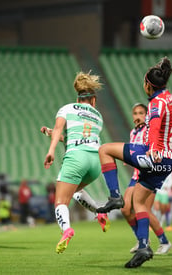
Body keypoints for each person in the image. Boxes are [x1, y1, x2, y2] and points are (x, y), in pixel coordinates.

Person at [97, 57, 172, 268]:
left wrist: (152, 150)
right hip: (168, 161)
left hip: (155, 155)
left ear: (148, 85)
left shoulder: (155, 104)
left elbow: (155, 125)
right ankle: (144, 246)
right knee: (140, 203)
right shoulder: (169, 97)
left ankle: (115, 196)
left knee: (105, 150)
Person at [43, 71, 109, 254]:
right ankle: (99, 211)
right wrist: (52, 132)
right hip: (95, 162)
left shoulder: (67, 109)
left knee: (60, 201)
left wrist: (50, 150)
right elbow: (76, 136)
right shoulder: (98, 116)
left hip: (76, 157)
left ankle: (67, 230)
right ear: (93, 100)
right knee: (76, 190)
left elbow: (59, 131)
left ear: (77, 97)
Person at [121, 103, 172, 254]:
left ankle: (163, 241)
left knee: (144, 210)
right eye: (135, 113)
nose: (137, 116)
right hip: (136, 175)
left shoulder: (150, 131)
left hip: (148, 175)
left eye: (141, 113)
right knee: (125, 209)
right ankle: (141, 239)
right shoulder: (133, 132)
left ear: (147, 115)